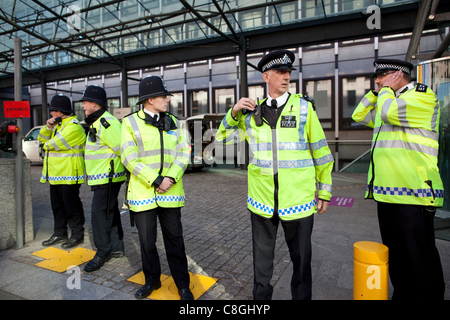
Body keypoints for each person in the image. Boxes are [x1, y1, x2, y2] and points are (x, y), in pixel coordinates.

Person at [216, 50, 334, 300]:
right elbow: (220, 138)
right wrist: (234, 111)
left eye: (288, 72)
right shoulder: (249, 112)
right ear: (266, 76)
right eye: (280, 72)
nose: (286, 77)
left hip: (298, 199)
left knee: (301, 261)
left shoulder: (304, 108)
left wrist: (324, 190)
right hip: (262, 200)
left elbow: (321, 151)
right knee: (261, 262)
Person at [352, 58, 445, 300]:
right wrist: (376, 94)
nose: (377, 82)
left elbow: (388, 113)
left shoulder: (421, 97)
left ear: (397, 75)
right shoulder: (387, 100)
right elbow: (358, 114)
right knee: (398, 257)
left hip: (414, 193)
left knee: (419, 258)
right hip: (388, 194)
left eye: (381, 76)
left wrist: (383, 93)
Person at [121, 75, 193, 300]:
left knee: (175, 240)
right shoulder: (130, 122)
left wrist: (169, 178)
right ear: (150, 99)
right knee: (147, 242)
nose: (167, 100)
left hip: (170, 192)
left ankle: (183, 285)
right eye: (163, 96)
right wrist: (155, 179)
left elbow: (184, 151)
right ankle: (152, 280)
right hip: (143, 193)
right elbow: (129, 157)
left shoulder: (174, 121)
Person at [80, 85, 127, 272]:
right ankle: (116, 248)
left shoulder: (107, 122)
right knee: (110, 211)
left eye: (85, 102)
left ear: (94, 103)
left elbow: (122, 149)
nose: (83, 106)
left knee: (99, 215)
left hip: (108, 177)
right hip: (103, 177)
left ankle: (102, 252)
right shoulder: (97, 121)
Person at [38, 94, 86, 249]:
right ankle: (60, 233)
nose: (51, 114)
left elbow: (49, 145)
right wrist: (48, 127)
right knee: (57, 206)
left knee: (72, 206)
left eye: (52, 111)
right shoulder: (58, 125)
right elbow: (41, 139)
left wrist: (46, 142)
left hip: (69, 174)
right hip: (56, 174)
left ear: (59, 112)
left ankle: (77, 234)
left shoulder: (73, 126)